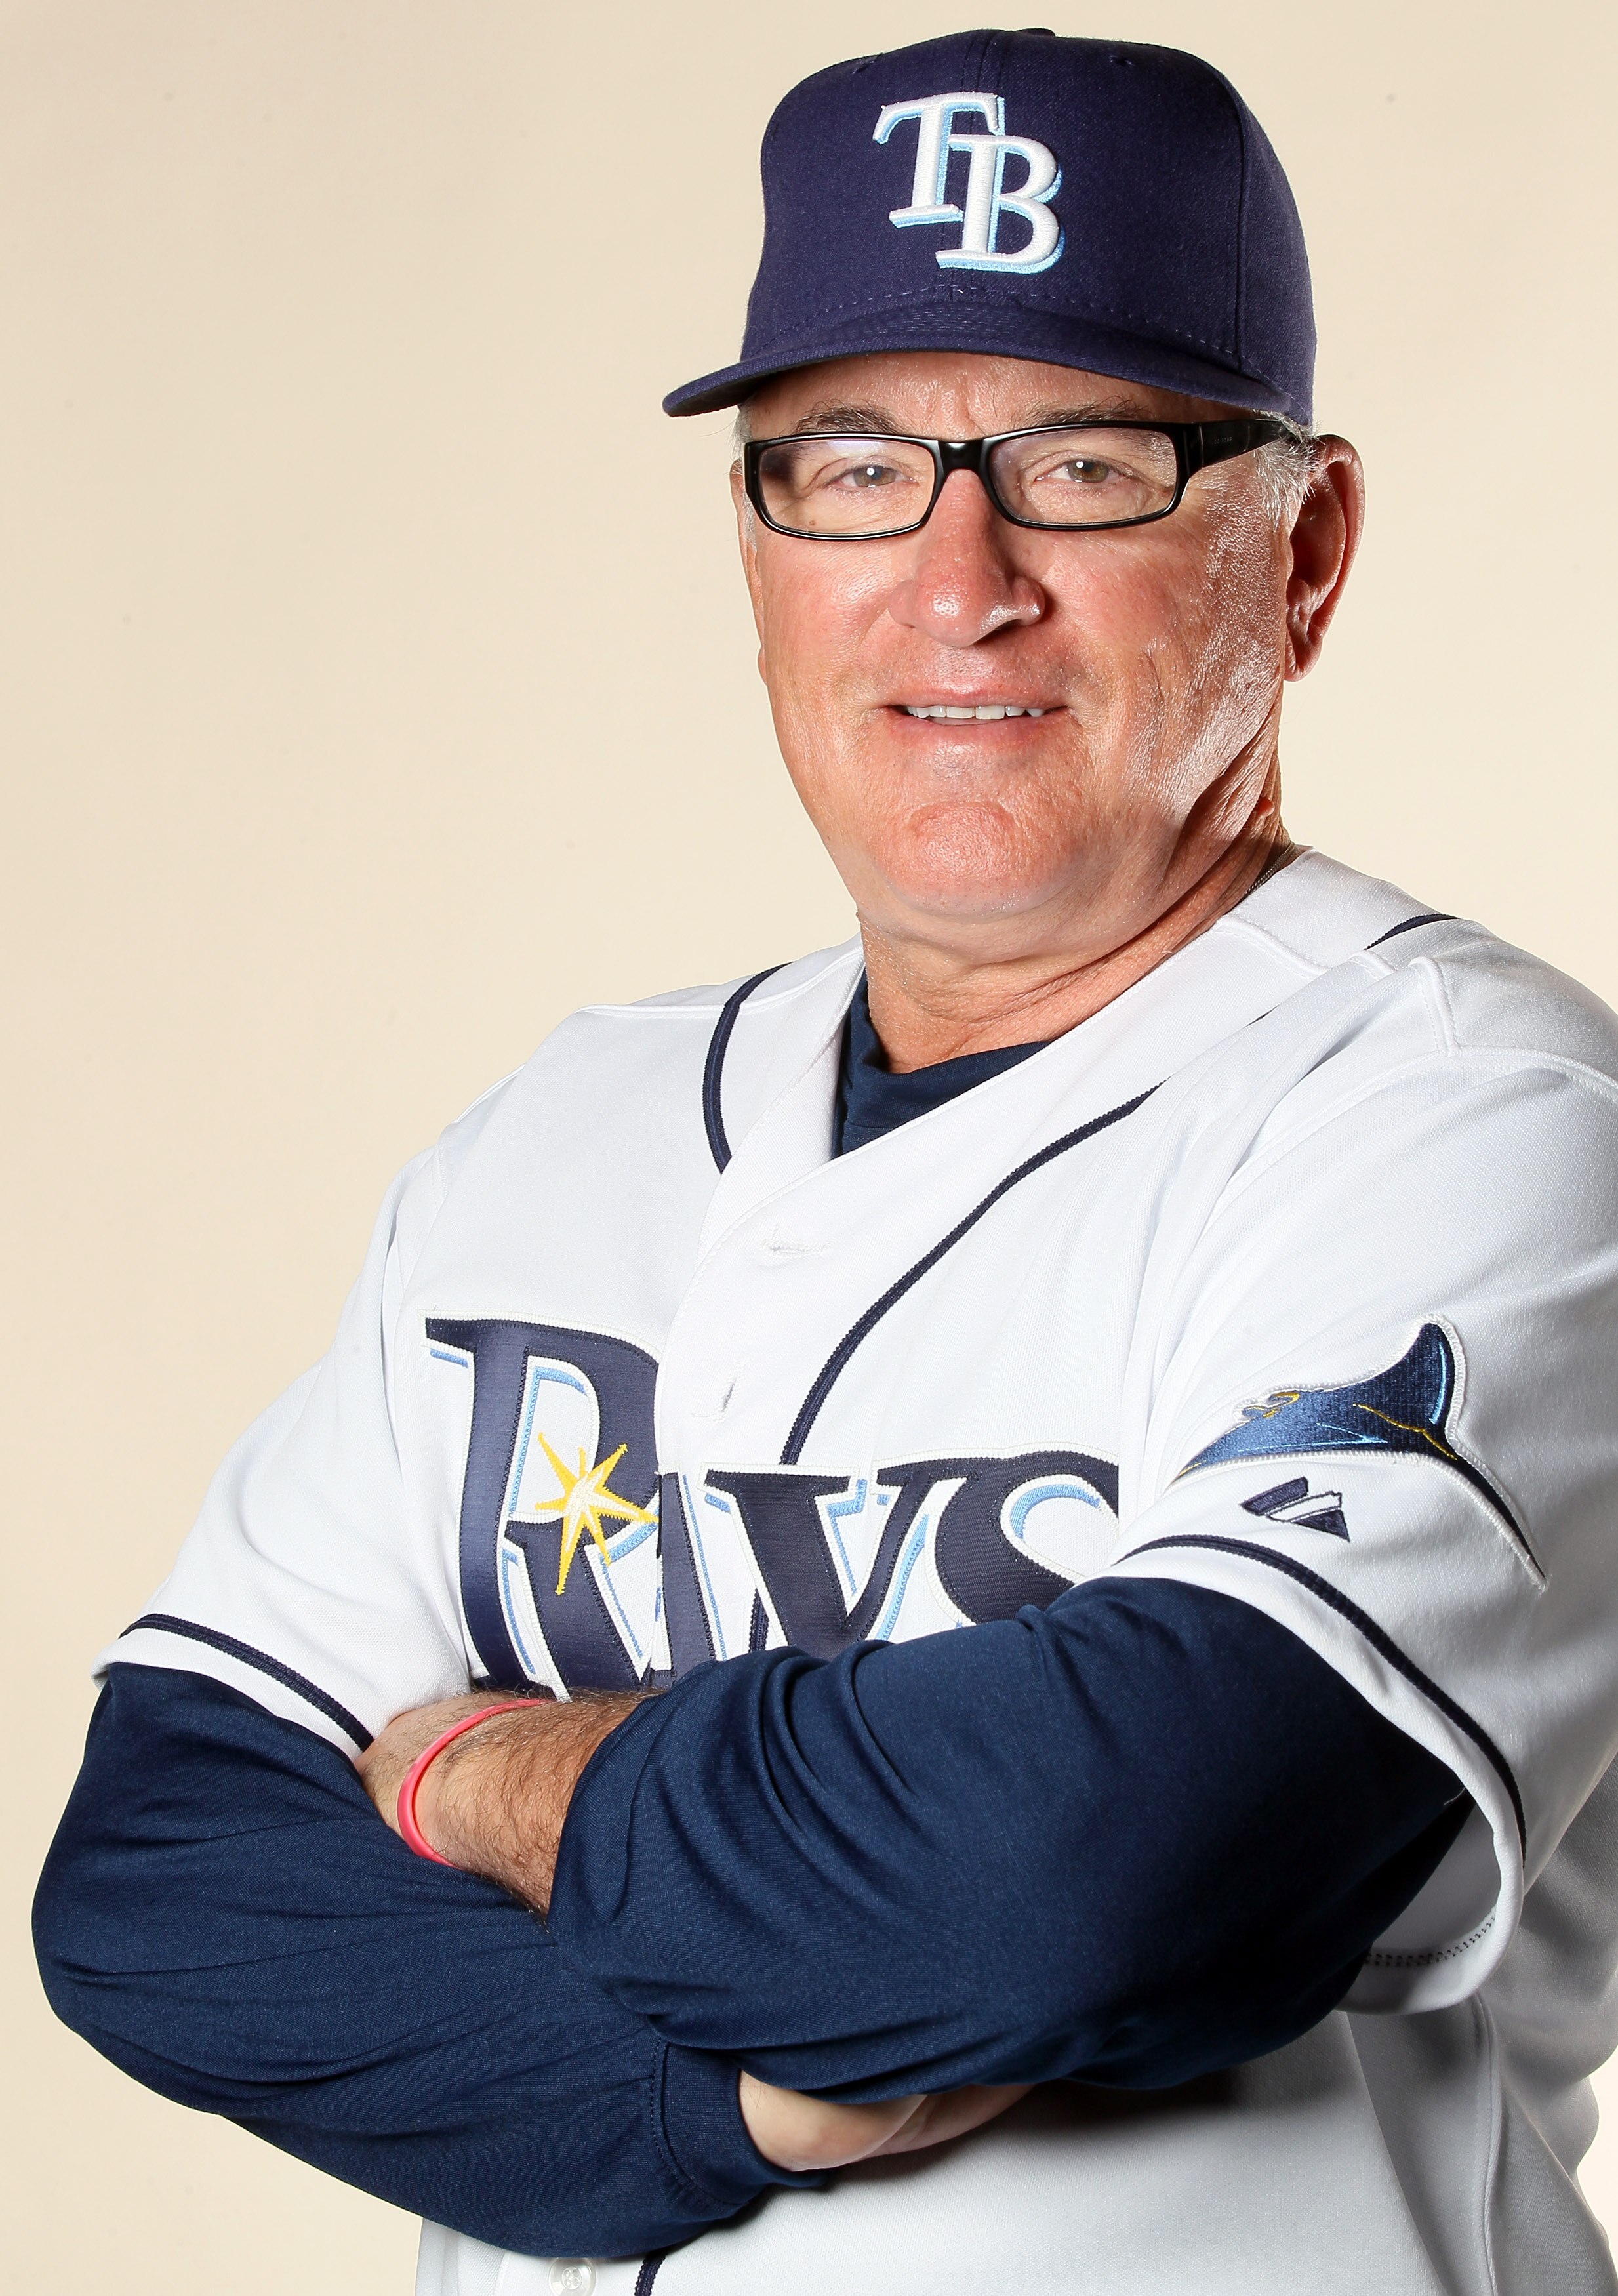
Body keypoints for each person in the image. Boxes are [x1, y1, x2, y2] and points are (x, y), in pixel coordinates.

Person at [33, 27, 1618, 2296]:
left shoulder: (1476, 1124)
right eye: (853, 466)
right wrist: (731, 2100)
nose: (958, 580)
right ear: (759, 547)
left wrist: (483, 1775)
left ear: (1305, 552)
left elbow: (1088, 1875)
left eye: (1083, 463)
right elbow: (161, 1884)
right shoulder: (555, 1134)